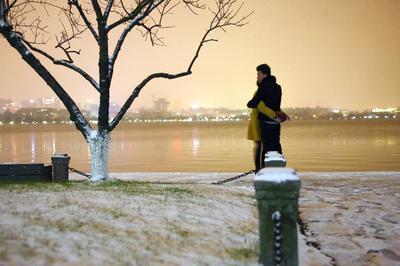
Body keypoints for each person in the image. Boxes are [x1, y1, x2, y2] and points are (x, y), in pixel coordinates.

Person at [247, 64, 287, 171]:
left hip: (264, 122)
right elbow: (276, 106)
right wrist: (280, 116)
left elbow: (259, 106)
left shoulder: (262, 88)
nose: (257, 77)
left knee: (264, 148)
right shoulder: (278, 87)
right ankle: (279, 169)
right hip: (276, 123)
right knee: (276, 146)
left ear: (264, 74)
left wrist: (274, 116)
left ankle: (261, 171)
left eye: (258, 74)